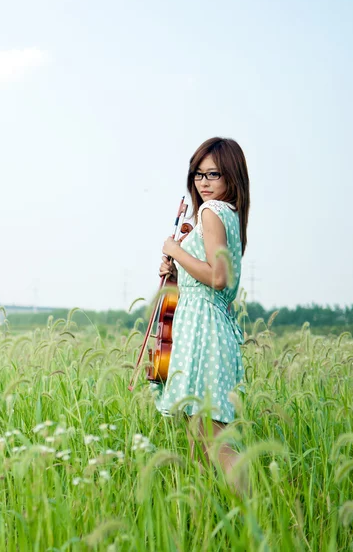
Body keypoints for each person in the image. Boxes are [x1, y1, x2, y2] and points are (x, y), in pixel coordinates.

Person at [154, 137, 250, 488]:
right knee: (198, 439)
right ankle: (205, 521)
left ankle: (260, 515)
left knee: (213, 437)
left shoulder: (211, 212)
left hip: (204, 334)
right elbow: (206, 277)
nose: (204, 182)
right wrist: (178, 271)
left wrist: (175, 252)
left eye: (213, 174)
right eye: (197, 175)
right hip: (206, 327)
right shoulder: (228, 214)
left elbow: (217, 276)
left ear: (231, 177)